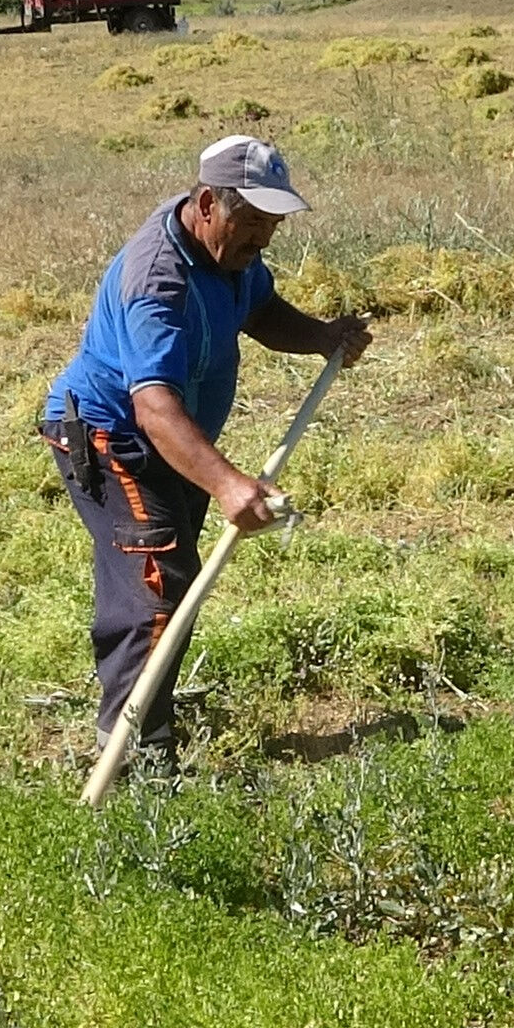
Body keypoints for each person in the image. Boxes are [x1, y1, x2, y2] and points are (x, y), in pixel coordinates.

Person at [41, 136, 371, 768]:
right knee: (154, 589)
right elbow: (153, 406)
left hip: (171, 436)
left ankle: (147, 729)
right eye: (251, 226)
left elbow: (262, 309)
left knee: (174, 581)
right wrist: (226, 484)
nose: (263, 242)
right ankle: (134, 756)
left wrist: (322, 337)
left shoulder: (230, 258)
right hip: (114, 437)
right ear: (206, 204)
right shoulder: (155, 280)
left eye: (272, 228)